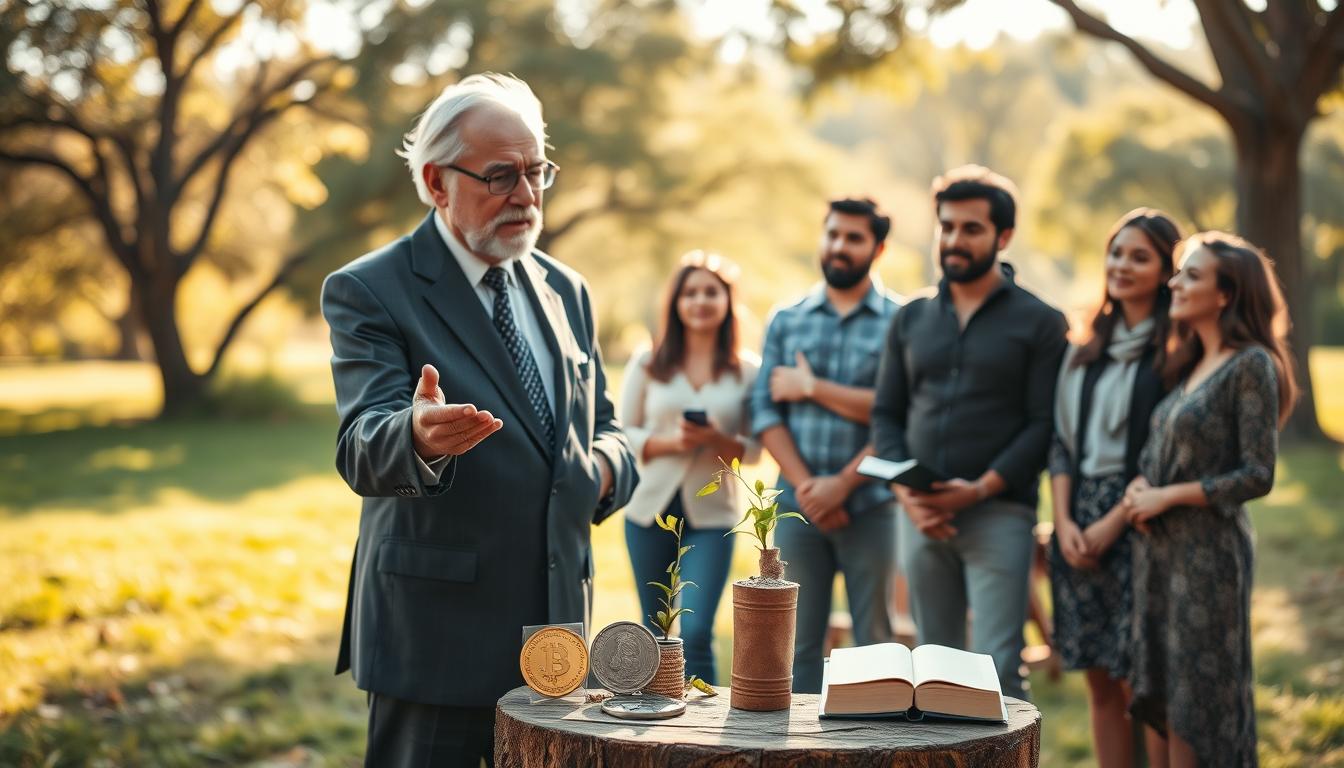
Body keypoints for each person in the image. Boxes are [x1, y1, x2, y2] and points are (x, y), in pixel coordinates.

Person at [320, 73, 637, 767]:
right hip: (437, 645)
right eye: (500, 176)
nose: (525, 195)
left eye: (536, 171)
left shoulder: (567, 290)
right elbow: (362, 442)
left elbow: (605, 427)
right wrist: (417, 437)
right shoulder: (370, 290)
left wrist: (607, 470)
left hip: (557, 640)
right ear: (436, 181)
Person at [871, 165, 1068, 700]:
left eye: (971, 228)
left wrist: (979, 489)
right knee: (935, 669)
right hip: (922, 516)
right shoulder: (909, 320)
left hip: (1000, 515)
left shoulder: (1042, 323)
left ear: (1003, 236)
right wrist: (907, 495)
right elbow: (886, 415)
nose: (955, 240)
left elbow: (1044, 426)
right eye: (947, 226)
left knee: (997, 668)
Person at [1123, 231, 1297, 767]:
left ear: (1226, 294)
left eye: (1191, 275)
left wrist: (1167, 497)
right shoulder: (1189, 363)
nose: (1174, 283)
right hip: (1159, 557)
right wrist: (1141, 489)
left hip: (1207, 562)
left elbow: (1257, 474)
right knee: (1164, 698)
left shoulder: (1251, 365)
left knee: (1200, 702)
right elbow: (1163, 455)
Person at [749, 197, 903, 694]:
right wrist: (811, 489)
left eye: (853, 237)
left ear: (877, 248)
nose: (839, 246)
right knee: (794, 643)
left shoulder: (901, 323)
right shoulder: (787, 319)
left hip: (872, 506)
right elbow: (765, 413)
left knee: (875, 643)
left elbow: (896, 416)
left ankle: (878, 748)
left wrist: (841, 485)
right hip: (797, 508)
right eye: (833, 233)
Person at [1048, 209, 1181, 766]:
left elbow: (1166, 457)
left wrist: (1111, 523)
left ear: (1168, 271)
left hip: (1141, 523)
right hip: (1076, 521)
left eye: (1140, 256)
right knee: (1100, 683)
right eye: (1117, 252)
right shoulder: (1083, 347)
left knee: (1141, 686)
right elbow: (1059, 444)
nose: (1122, 265)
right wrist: (1063, 524)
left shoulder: (1177, 350)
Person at [619, 250, 760, 686]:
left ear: (728, 302)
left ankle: (703, 735)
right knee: (656, 627)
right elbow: (623, 433)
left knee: (696, 631)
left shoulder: (747, 371)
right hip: (648, 511)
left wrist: (717, 439)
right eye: (691, 292)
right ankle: (653, 713)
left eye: (711, 292)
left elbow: (754, 450)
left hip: (712, 516)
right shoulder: (647, 362)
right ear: (676, 302)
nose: (700, 301)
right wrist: (673, 442)